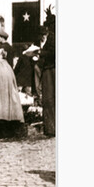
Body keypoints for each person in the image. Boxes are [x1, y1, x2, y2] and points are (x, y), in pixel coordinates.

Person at [37, 9, 56, 137]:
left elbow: (53, 52)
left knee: (49, 99)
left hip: (50, 69)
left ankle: (51, 129)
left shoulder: (53, 36)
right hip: (52, 68)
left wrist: (39, 52)